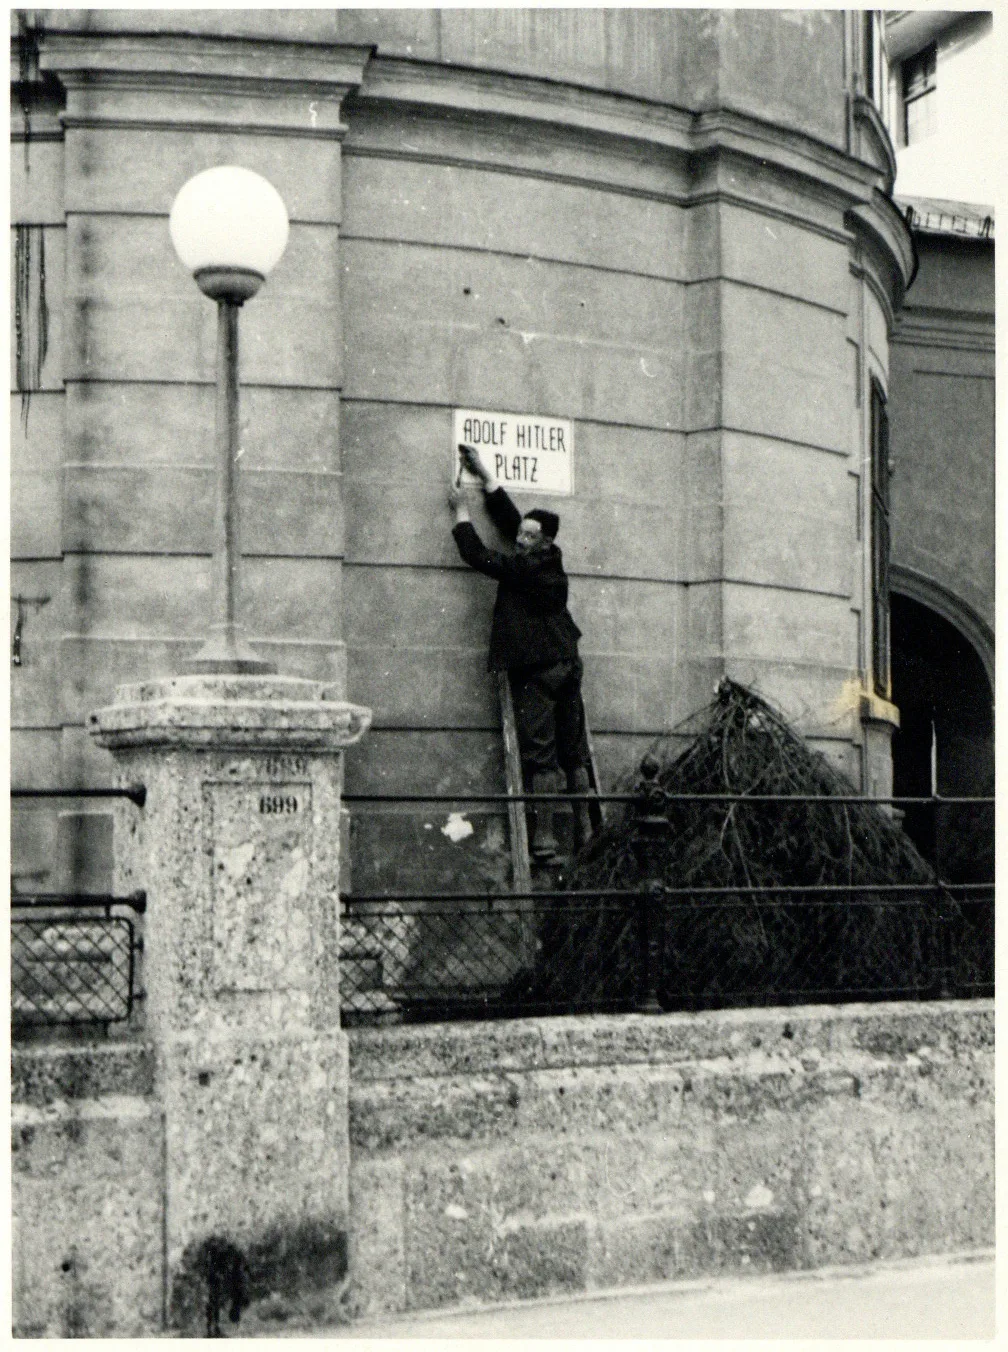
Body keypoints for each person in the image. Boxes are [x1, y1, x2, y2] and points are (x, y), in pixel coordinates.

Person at [449, 442, 595, 859]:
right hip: (567, 662)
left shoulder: (523, 568)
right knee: (575, 751)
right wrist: (486, 475)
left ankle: (544, 839)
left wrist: (461, 509)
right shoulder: (547, 558)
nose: (520, 539)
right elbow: (515, 524)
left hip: (538, 670)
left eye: (529, 537)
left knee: (541, 755)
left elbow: (476, 554)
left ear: (543, 541)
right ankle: (586, 833)